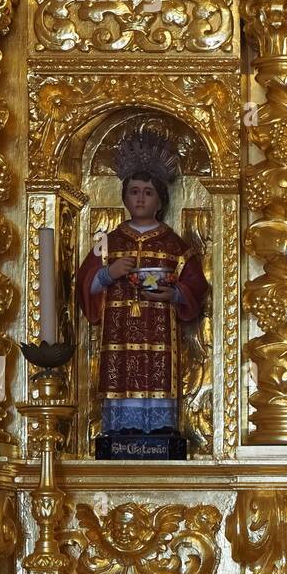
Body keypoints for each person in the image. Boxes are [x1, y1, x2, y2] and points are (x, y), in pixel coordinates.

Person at [78, 130, 207, 437]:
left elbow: (197, 285)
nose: (140, 198)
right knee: (122, 372)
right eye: (134, 191)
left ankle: (159, 428)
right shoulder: (108, 242)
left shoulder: (174, 244)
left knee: (155, 371)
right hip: (119, 331)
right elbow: (85, 285)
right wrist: (109, 274)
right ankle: (122, 429)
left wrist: (175, 294)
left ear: (160, 199)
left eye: (148, 192)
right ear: (124, 196)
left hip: (158, 331)